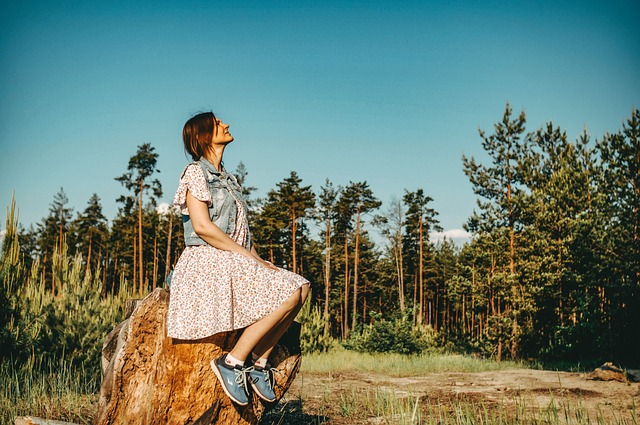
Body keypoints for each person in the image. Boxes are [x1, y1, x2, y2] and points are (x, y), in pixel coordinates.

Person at [166, 111, 310, 406]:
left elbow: (242, 235)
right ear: (203, 135)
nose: (227, 124)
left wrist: (259, 260)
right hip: (206, 260)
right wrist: (249, 259)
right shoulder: (195, 172)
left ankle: (259, 363)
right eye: (219, 124)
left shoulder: (229, 180)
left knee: (302, 286)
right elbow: (202, 227)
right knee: (288, 291)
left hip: (232, 257)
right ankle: (232, 362)